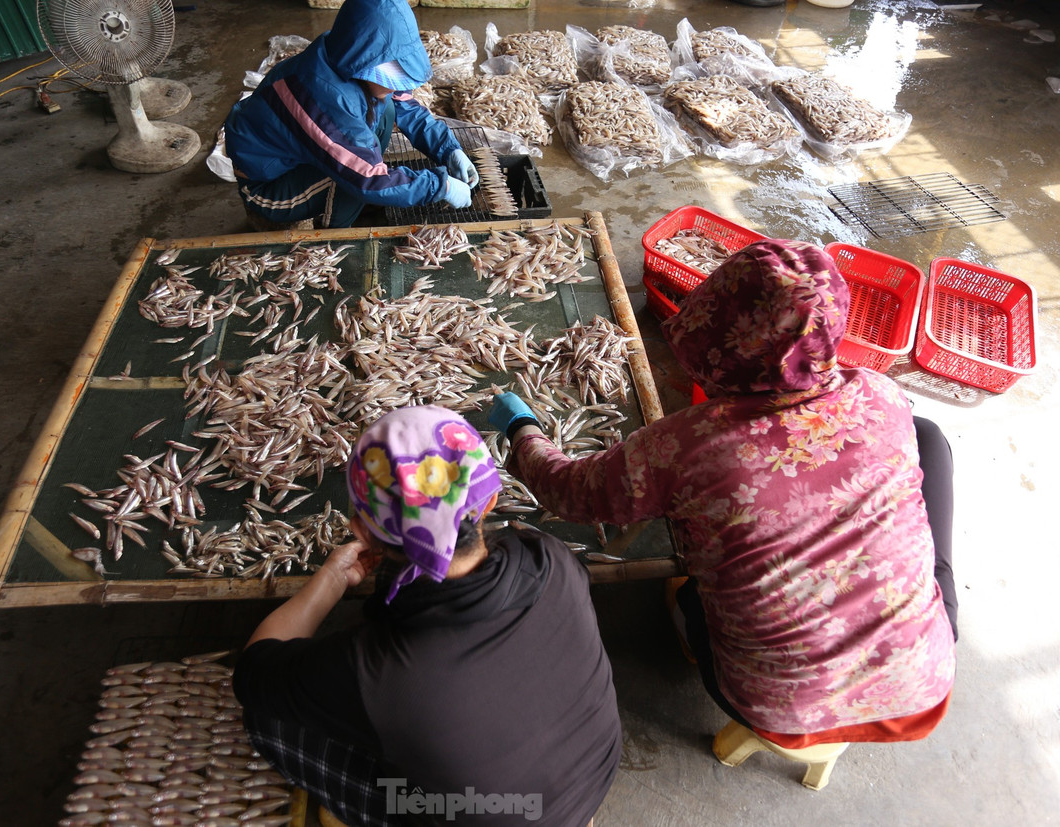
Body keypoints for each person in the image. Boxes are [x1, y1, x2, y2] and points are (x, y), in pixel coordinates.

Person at [488, 239, 957, 751]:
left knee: (695, 588)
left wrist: (522, 430)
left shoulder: (687, 446)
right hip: (924, 684)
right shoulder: (881, 394)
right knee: (927, 436)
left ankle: (698, 636)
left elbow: (569, 492)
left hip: (779, 709)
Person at [233, 405, 622, 826]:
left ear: (362, 531)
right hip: (592, 780)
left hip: (499, 816)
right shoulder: (550, 557)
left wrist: (330, 580)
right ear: (489, 500)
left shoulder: (376, 669)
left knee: (266, 721)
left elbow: (254, 671)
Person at [221, 0, 478, 230]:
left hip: (300, 153)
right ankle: (336, 235)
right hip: (269, 186)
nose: (397, 84)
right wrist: (440, 186)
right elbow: (367, 179)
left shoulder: (346, 56)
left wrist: (448, 150)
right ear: (366, 64)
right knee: (351, 180)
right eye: (391, 74)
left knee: (387, 107)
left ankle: (351, 204)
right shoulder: (322, 98)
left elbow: (407, 107)